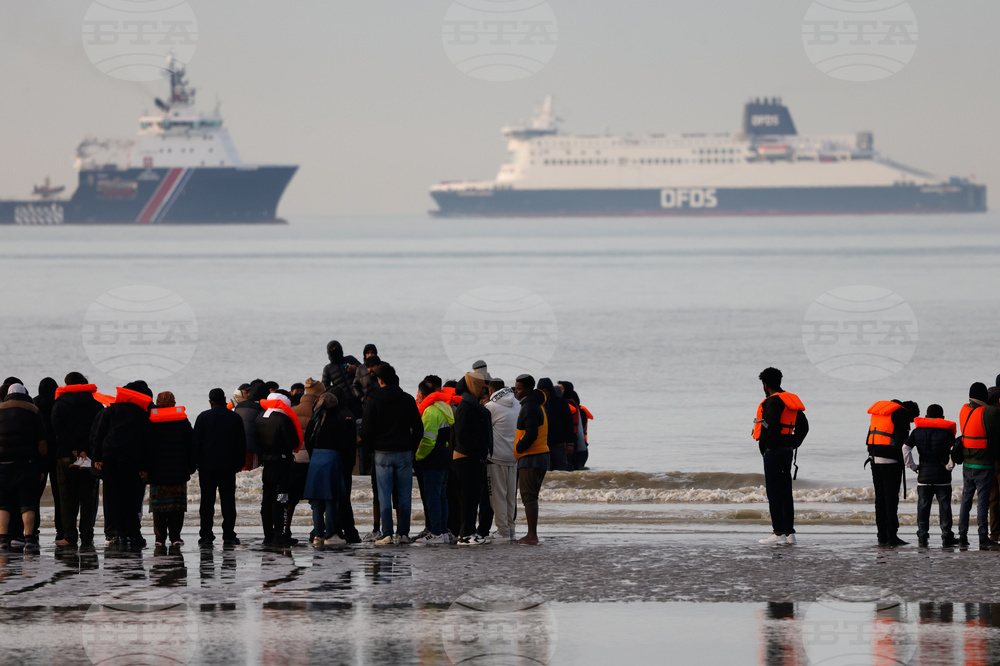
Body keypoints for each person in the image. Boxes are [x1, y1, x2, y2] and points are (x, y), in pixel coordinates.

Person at [361, 364, 423, 545]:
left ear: (380, 380)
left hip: (382, 453)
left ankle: (387, 533)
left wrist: (372, 448)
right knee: (404, 494)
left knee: (384, 494)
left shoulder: (373, 398)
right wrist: (412, 447)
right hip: (404, 452)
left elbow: (366, 431)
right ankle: (403, 533)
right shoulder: (407, 399)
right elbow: (419, 428)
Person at [91, 382, 153, 549]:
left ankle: (115, 535)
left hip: (110, 458)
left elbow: (98, 436)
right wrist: (145, 466)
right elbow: (146, 442)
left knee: (112, 498)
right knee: (131, 498)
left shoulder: (109, 411)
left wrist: (97, 457)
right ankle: (133, 534)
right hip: (132, 460)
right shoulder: (141, 414)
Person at [753, 367, 805, 546]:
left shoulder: (773, 402)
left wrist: (768, 446)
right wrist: (793, 442)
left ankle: (778, 533)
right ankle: (789, 533)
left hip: (774, 452)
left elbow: (772, 426)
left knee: (774, 492)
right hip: (787, 450)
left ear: (765, 384)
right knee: (785, 492)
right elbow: (804, 426)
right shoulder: (789, 400)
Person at [51, 373, 104, 547]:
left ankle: (69, 537)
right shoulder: (96, 405)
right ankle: (87, 536)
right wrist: (87, 451)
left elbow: (58, 430)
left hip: (66, 456)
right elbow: (99, 432)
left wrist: (74, 448)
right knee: (89, 497)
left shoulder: (59, 405)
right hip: (89, 457)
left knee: (67, 497)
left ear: (67, 385)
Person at [193, 388, 246, 546]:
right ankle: (228, 534)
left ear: (210, 402)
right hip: (228, 467)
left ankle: (206, 535)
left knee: (207, 502)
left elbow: (195, 443)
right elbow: (241, 444)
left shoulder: (203, 417)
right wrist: (239, 464)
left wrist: (196, 464)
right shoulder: (234, 417)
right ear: (224, 399)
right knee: (228, 502)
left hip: (207, 467)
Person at [903, 404, 959, 548]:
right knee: (945, 507)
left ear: (926, 417)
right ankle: (947, 536)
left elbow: (905, 448)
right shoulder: (947, 432)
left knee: (923, 506)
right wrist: (949, 467)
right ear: (943, 418)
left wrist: (913, 466)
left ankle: (922, 537)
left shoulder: (918, 431)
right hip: (942, 476)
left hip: (924, 476)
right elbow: (954, 450)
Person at [865, 397, 918, 547]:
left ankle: (882, 535)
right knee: (891, 499)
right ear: (911, 412)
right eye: (912, 420)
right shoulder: (901, 413)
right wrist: (907, 462)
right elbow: (903, 441)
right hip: (891, 461)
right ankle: (892, 536)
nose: (911, 422)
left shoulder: (880, 412)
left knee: (880, 499)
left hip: (874, 458)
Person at [0, 384, 46, 554]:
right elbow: (42, 442)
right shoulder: (33, 410)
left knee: (3, 504)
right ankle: (29, 539)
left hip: (2, 465)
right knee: (28, 504)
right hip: (27, 464)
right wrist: (41, 466)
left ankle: (3, 539)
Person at [303, 391, 353, 546]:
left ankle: (317, 535)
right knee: (331, 499)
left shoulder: (314, 421)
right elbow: (345, 444)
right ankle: (330, 534)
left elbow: (308, 442)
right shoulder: (338, 422)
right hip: (332, 460)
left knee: (317, 501)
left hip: (316, 460)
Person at [146, 392, 195, 548]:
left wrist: (144, 468)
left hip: (156, 472)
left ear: (158, 403)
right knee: (177, 508)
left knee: (158, 508)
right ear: (173, 403)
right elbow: (192, 445)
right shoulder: (182, 421)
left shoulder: (151, 422)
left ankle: (159, 538)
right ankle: (175, 537)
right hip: (178, 471)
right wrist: (192, 467)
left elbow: (144, 446)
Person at [256, 392, 302, 546]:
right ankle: (279, 535)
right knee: (281, 499)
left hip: (267, 465)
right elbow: (293, 442)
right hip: (281, 465)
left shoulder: (260, 417)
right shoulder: (283, 419)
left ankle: (267, 535)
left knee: (266, 500)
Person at [958, 382, 1000, 549]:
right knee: (983, 501)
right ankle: (983, 536)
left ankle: (962, 535)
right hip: (984, 464)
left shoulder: (964, 410)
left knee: (966, 501)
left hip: (967, 464)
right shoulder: (989, 412)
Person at [453, 373, 493, 546]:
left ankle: (469, 531)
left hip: (472, 458)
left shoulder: (472, 406)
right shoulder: (465, 407)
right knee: (467, 499)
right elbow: (461, 436)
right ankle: (465, 534)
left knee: (472, 498)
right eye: (480, 386)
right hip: (465, 458)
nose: (483, 389)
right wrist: (478, 449)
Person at [413, 379, 454, 545]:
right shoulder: (444, 408)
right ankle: (443, 531)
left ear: (422, 395)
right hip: (445, 455)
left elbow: (428, 440)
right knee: (442, 496)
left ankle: (436, 532)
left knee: (433, 498)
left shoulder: (430, 412)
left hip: (433, 459)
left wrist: (418, 456)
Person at [513, 375, 549, 546]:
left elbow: (532, 433)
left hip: (532, 457)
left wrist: (519, 447)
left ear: (527, 390)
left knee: (529, 497)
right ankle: (531, 534)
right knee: (531, 496)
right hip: (538, 456)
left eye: (518, 389)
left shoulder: (530, 407)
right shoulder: (536, 404)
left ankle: (531, 535)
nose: (516, 391)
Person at [485, 378, 519, 543]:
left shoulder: (490, 407)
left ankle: (503, 531)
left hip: (496, 458)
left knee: (497, 496)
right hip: (514, 457)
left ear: (491, 391)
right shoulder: (517, 404)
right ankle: (511, 529)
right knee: (510, 496)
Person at [34, 378, 61, 543]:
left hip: (39, 456)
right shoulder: (60, 404)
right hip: (58, 454)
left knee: (35, 495)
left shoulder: (34, 404)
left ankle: (33, 530)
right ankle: (61, 530)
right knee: (60, 496)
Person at [538, 378, 574, 472]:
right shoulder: (536, 404)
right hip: (542, 445)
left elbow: (569, 423)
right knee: (543, 472)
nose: (545, 393)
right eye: (542, 391)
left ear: (551, 390)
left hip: (559, 445)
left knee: (560, 472)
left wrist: (570, 444)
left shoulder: (561, 403)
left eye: (547, 391)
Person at [234, 382, 268, 471]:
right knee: (251, 472)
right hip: (251, 447)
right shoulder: (261, 407)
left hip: (237, 446)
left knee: (240, 473)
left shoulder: (239, 406)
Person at [559, 380, 591, 470]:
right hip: (580, 447)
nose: (557, 390)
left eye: (561, 388)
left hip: (576, 448)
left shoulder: (571, 408)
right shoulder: (577, 409)